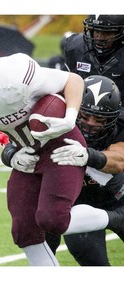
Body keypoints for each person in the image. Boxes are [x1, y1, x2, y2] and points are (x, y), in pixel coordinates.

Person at [0, 29, 124, 266]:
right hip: (28, 154)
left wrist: (69, 118)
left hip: (60, 148)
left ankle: (115, 218)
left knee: (52, 221)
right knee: (23, 230)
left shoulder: (15, 75)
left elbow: (73, 80)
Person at [45, 75, 124, 265]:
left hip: (117, 199)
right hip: (77, 205)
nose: (91, 123)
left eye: (100, 119)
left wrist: (88, 156)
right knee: (95, 267)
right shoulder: (56, 115)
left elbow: (119, 159)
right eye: (85, 115)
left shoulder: (121, 125)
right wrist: (11, 154)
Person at [63, 15, 124, 102]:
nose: (99, 37)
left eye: (106, 33)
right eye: (96, 31)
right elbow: (62, 85)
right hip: (80, 109)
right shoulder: (77, 47)